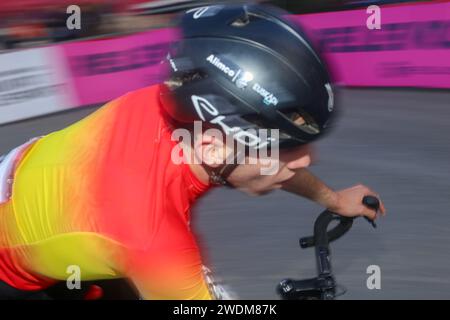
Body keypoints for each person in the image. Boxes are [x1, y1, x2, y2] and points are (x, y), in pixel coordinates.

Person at [0, 4, 385, 300]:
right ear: (211, 147)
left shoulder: (186, 113)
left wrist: (333, 200)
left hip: (51, 203)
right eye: (286, 149)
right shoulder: (152, 234)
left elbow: (269, 162)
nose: (307, 161)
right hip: (16, 270)